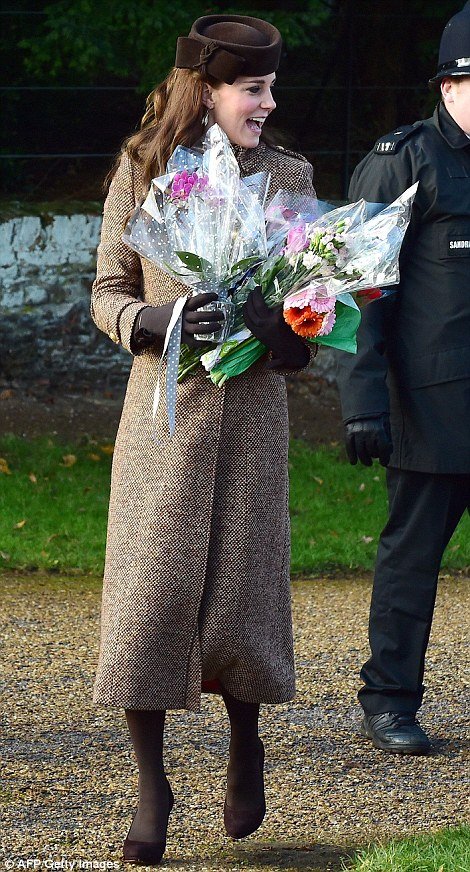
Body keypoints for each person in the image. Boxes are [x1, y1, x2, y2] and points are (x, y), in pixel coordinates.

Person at [90, 14, 315, 865]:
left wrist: (284, 325)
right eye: (253, 89)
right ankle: (151, 784)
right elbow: (106, 291)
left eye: (270, 88)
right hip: (164, 423)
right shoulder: (144, 168)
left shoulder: (287, 174)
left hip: (252, 423)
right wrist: (155, 320)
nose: (268, 103)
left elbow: (315, 304)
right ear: (208, 90)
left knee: (242, 598)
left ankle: (245, 742)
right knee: (147, 603)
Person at [335, 2, 470, 756]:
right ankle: (389, 701)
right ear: (450, 86)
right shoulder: (404, 160)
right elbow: (358, 288)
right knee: (411, 563)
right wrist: (363, 404)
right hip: (432, 406)